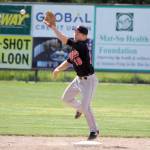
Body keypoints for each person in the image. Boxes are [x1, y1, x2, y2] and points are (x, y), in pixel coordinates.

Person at [44, 20, 99, 140]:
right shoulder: (75, 49)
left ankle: (94, 131)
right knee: (66, 99)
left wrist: (53, 27)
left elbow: (64, 40)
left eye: (78, 33)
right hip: (78, 80)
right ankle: (81, 108)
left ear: (84, 36)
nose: (75, 33)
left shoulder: (82, 46)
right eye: (75, 31)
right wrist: (58, 69)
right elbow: (68, 62)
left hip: (89, 81)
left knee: (86, 108)